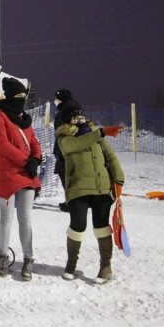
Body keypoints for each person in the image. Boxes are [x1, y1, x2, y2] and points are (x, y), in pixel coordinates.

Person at [56, 108, 125, 283]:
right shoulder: (64, 138)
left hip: (101, 187)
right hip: (78, 188)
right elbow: (77, 145)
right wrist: (101, 132)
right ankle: (71, 265)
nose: (80, 119)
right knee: (77, 226)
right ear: (67, 120)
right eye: (75, 116)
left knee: (101, 226)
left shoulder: (96, 135)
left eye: (82, 115)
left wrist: (118, 180)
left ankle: (105, 267)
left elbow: (111, 158)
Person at [0, 77, 42, 280]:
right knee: (6, 219)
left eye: (24, 96)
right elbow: (2, 143)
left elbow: (34, 141)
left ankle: (28, 258)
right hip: (7, 176)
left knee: (26, 220)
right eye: (19, 96)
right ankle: (3, 257)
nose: (22, 100)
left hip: (26, 174)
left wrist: (35, 159)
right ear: (10, 96)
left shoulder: (24, 118)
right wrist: (26, 161)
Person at [52, 89, 82, 212]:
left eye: (57, 99)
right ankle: (74, 200)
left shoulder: (65, 112)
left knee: (64, 172)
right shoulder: (76, 108)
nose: (55, 101)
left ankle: (72, 202)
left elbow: (61, 131)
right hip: (76, 147)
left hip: (66, 149)